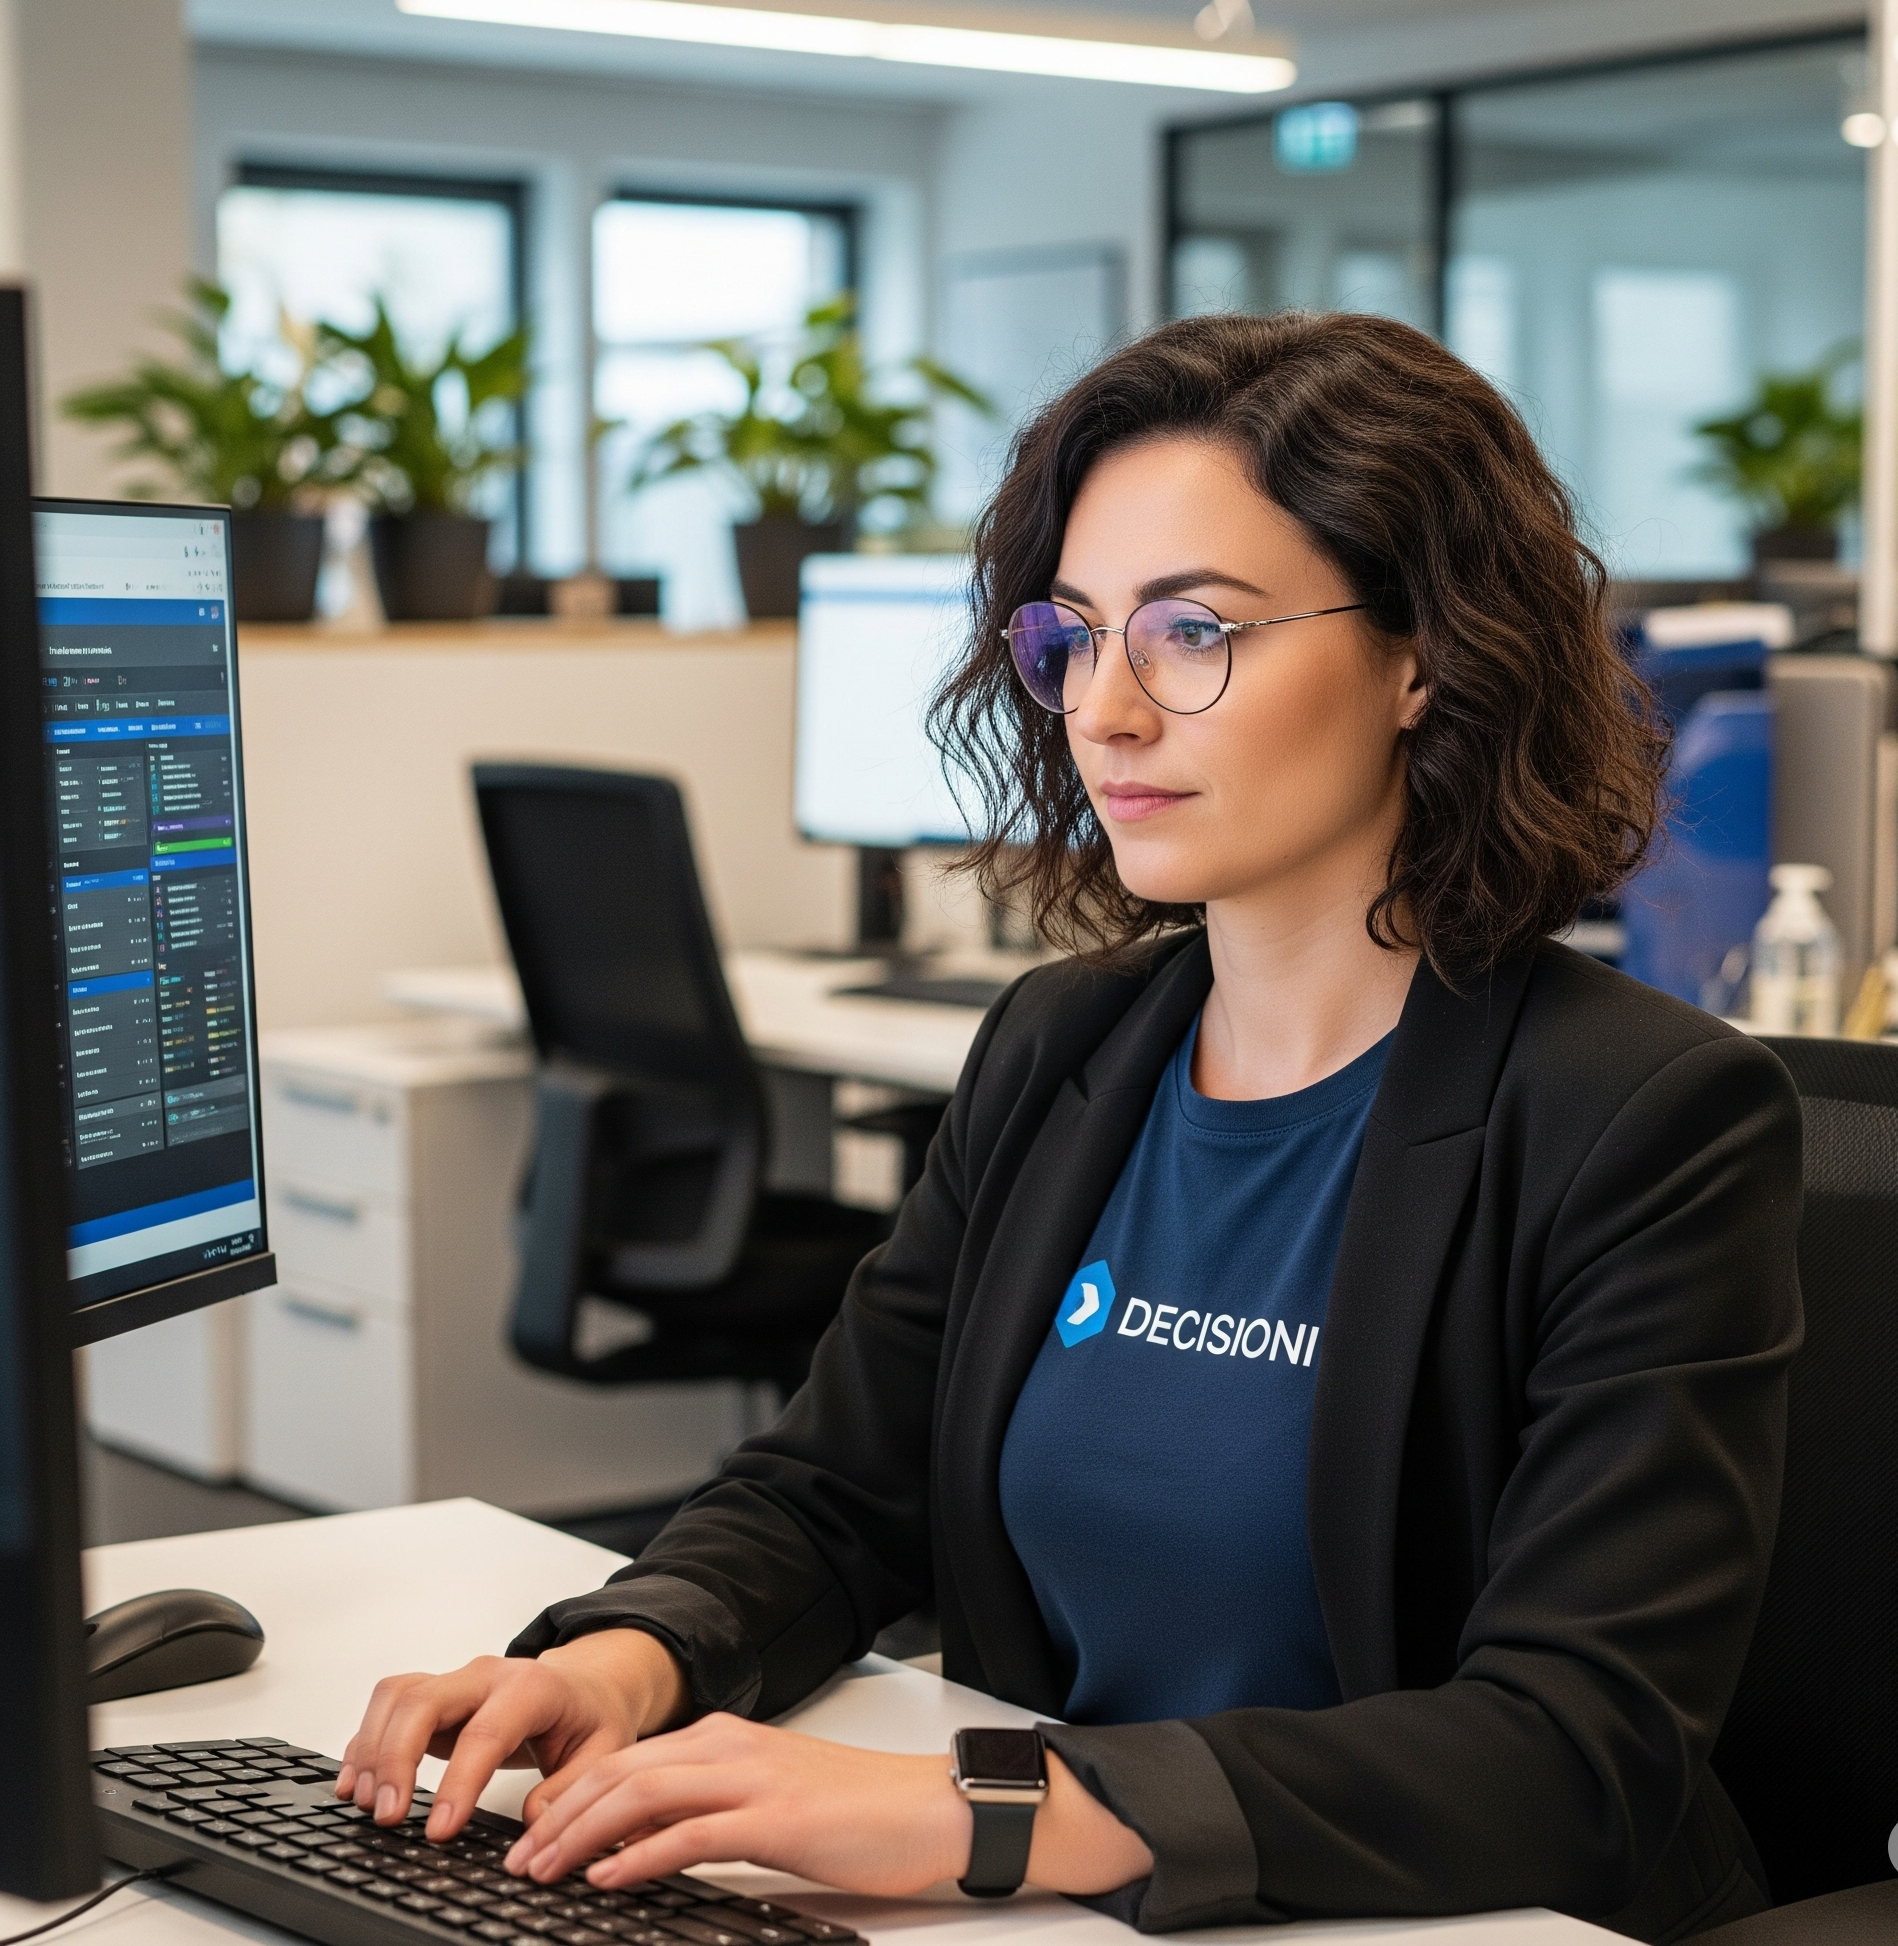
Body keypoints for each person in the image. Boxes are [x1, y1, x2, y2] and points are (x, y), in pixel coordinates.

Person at [337, 312, 1802, 1941]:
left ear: (1422, 655)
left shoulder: (1642, 1118)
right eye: (1075, 635)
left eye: (1194, 632)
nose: (1101, 709)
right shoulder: (1065, 1046)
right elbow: (834, 1488)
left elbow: (1571, 1751)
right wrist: (628, 1655)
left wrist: (973, 1809)